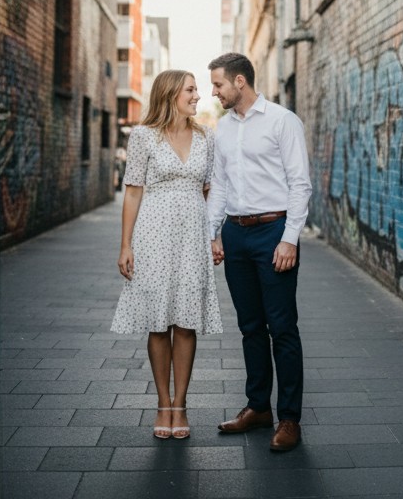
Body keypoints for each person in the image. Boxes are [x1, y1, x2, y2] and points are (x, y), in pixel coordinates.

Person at [204, 52, 312, 452]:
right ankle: (258, 407)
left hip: (273, 232)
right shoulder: (223, 128)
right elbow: (219, 185)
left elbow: (300, 184)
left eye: (218, 85)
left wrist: (290, 238)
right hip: (236, 235)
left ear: (239, 82)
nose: (213, 93)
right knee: (250, 326)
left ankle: (289, 419)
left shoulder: (282, 121)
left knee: (282, 327)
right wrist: (213, 233)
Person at [111, 69, 224, 440]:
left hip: (192, 237)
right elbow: (132, 191)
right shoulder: (143, 136)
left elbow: (210, 192)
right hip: (153, 236)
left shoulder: (207, 137)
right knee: (158, 322)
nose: (197, 96)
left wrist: (214, 237)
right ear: (171, 93)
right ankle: (163, 403)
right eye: (190, 90)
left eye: (197, 90)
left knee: (186, 322)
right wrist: (126, 244)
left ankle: (181, 404)